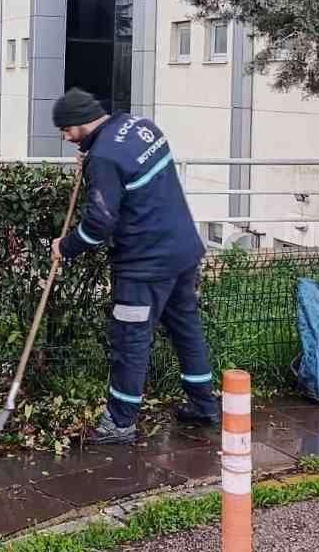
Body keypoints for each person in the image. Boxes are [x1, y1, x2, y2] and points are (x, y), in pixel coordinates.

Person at [49, 88, 218, 444]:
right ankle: (204, 405)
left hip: (144, 265)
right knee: (186, 329)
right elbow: (129, 170)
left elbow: (100, 223)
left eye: (65, 130)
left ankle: (120, 422)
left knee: (131, 340)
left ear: (80, 123)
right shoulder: (139, 125)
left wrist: (66, 246)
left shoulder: (104, 158)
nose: (64, 137)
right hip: (182, 252)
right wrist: (91, 156)